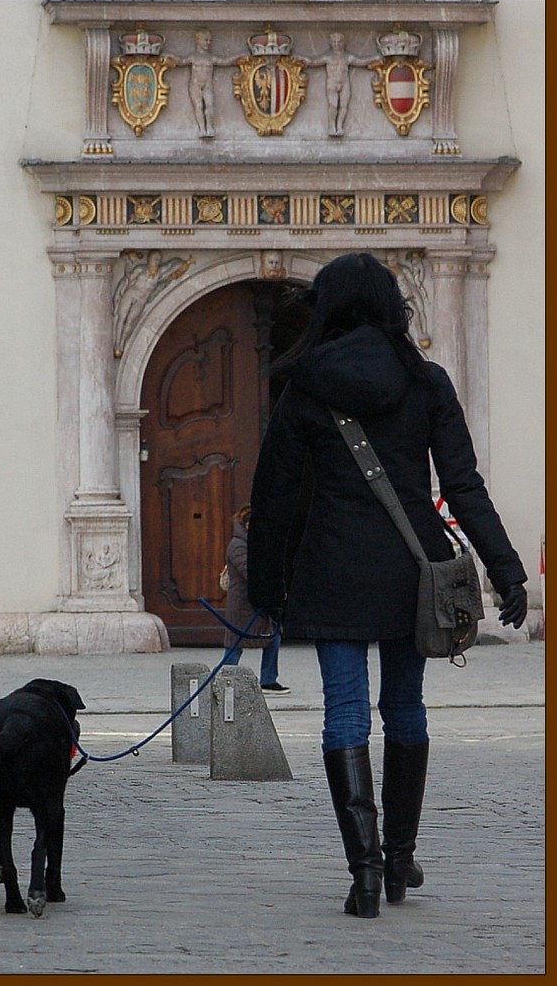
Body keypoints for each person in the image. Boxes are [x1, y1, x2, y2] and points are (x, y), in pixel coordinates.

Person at [246, 252, 528, 918]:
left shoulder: (305, 385)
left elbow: (275, 495)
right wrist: (504, 567)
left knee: (344, 713)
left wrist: (265, 591)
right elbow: (461, 485)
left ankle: (364, 874)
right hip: (414, 573)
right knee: (405, 711)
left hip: (333, 570)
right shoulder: (425, 381)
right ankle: (399, 861)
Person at [222, 505, 289, 694]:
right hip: (242, 604)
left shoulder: (259, 543)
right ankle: (226, 678)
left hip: (259, 601)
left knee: (273, 637)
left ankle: (268, 680)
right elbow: (248, 571)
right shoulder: (238, 545)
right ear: (249, 525)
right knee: (235, 642)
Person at [307, 32, 373, 137]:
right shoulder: (328, 57)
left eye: (339, 42)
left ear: (344, 43)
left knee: (343, 106)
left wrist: (374, 59)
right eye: (334, 42)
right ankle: (332, 126)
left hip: (345, 83)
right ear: (331, 43)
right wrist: (303, 60)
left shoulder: (347, 57)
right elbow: (314, 62)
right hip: (332, 83)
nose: (337, 45)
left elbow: (362, 62)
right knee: (333, 106)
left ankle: (339, 126)